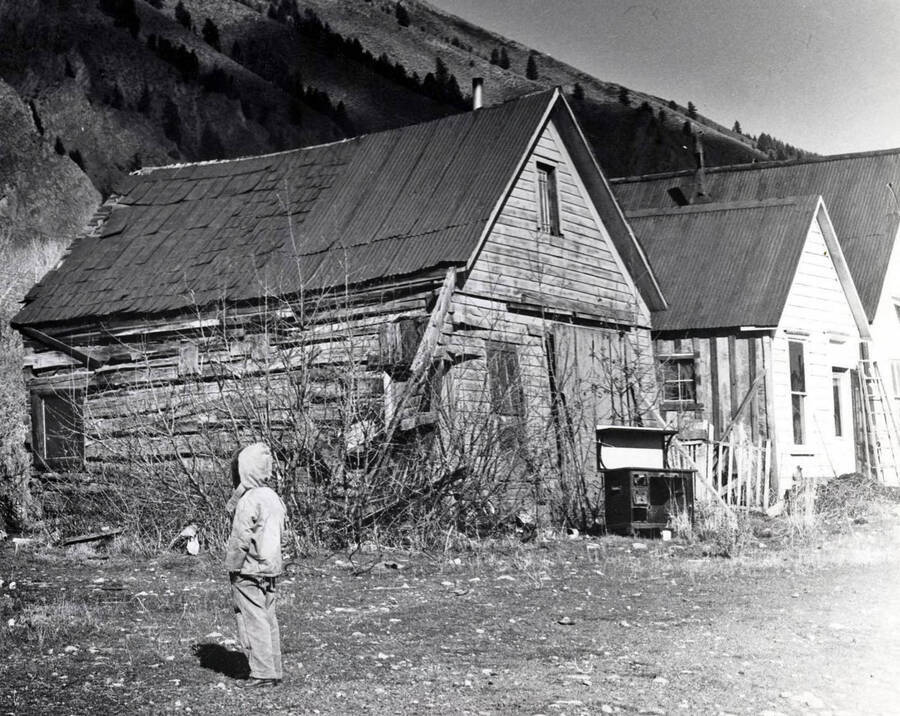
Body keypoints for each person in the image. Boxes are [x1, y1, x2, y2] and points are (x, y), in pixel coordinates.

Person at [225, 442, 288, 688]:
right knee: (268, 618)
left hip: (249, 569)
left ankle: (261, 672)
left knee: (253, 620)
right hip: (270, 568)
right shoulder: (273, 497)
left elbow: (240, 538)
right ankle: (273, 669)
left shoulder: (249, 500)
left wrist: (232, 566)